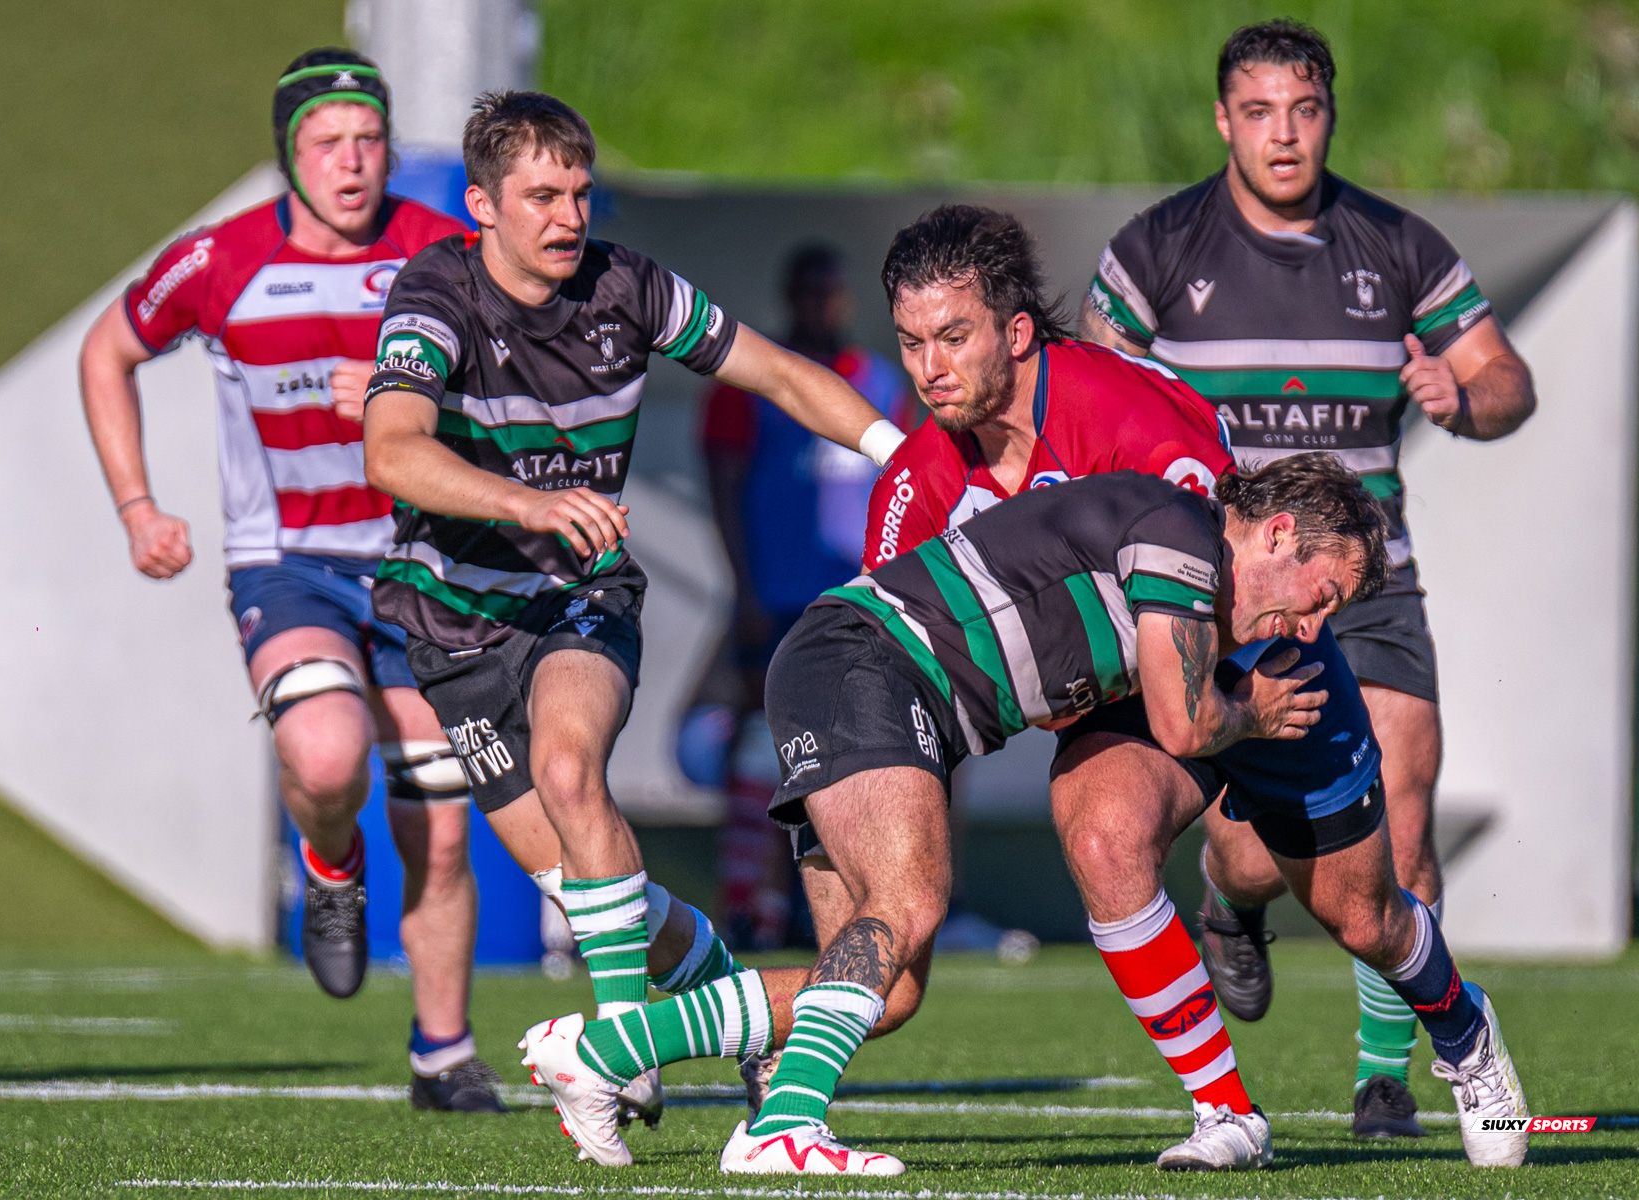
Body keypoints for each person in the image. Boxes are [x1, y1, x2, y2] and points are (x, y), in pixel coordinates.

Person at [523, 209, 1529, 1176]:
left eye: (953, 337)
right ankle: (1226, 1113)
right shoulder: (917, 480)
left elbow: (1236, 591)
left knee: (1361, 914)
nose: (930, 368)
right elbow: (891, 672)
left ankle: (1462, 1029)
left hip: (1241, 659)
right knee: (1046, 869)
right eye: (911, 342)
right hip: (1098, 691)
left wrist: (1252, 703)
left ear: (1014, 332)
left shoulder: (1133, 419)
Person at [359, 90, 904, 1162]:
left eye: (579, 192)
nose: (569, 216)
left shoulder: (630, 288)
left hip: (582, 597)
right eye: (541, 197)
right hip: (453, 627)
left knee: (571, 773)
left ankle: (616, 1051)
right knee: (598, 898)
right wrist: (524, 502)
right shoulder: (433, 294)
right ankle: (741, 1019)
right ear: (481, 206)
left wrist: (903, 454)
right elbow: (392, 448)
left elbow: (778, 373)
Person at [1079, 19, 1536, 1137]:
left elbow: (1507, 381)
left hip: (1369, 589)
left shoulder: (1398, 245)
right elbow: (1089, 399)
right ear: (1223, 121)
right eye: (1259, 112)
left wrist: (1465, 400)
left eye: (1305, 110)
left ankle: (1387, 1077)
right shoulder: (1158, 249)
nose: (1283, 135)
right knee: (1253, 849)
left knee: (1402, 816)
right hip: (1231, 594)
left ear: (1330, 116)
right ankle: (1230, 902)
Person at [79, 49, 503, 1112]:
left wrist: (417, 400)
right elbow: (105, 352)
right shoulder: (220, 261)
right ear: (288, 156)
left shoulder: (443, 255)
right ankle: (329, 864)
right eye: (327, 144)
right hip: (292, 563)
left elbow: (518, 390)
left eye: (369, 140)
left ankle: (444, 1054)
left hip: (423, 563)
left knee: (441, 819)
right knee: (324, 754)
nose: (351, 162)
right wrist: (137, 506)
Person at [700, 244, 914, 948]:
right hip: (776, 600)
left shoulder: (881, 382)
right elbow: (724, 490)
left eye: (833, 291)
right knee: (762, 750)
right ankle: (749, 904)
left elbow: (909, 485)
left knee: (852, 754)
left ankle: (843, 903)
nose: (823, 305)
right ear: (789, 297)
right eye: (810, 292)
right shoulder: (747, 383)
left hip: (858, 604)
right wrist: (742, 587)